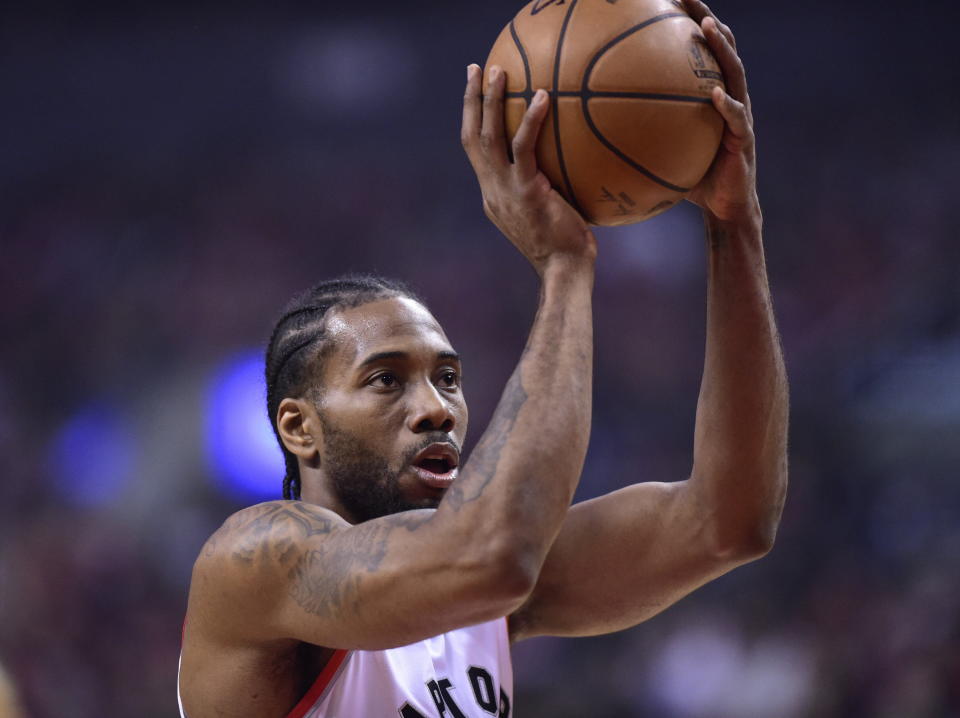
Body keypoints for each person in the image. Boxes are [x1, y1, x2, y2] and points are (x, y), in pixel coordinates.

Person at [178, 1, 788, 715]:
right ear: (299, 428)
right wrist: (565, 267)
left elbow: (729, 520)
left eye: (448, 378)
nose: (435, 408)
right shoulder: (256, 560)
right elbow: (490, 556)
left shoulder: (485, 587)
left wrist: (733, 224)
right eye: (385, 381)